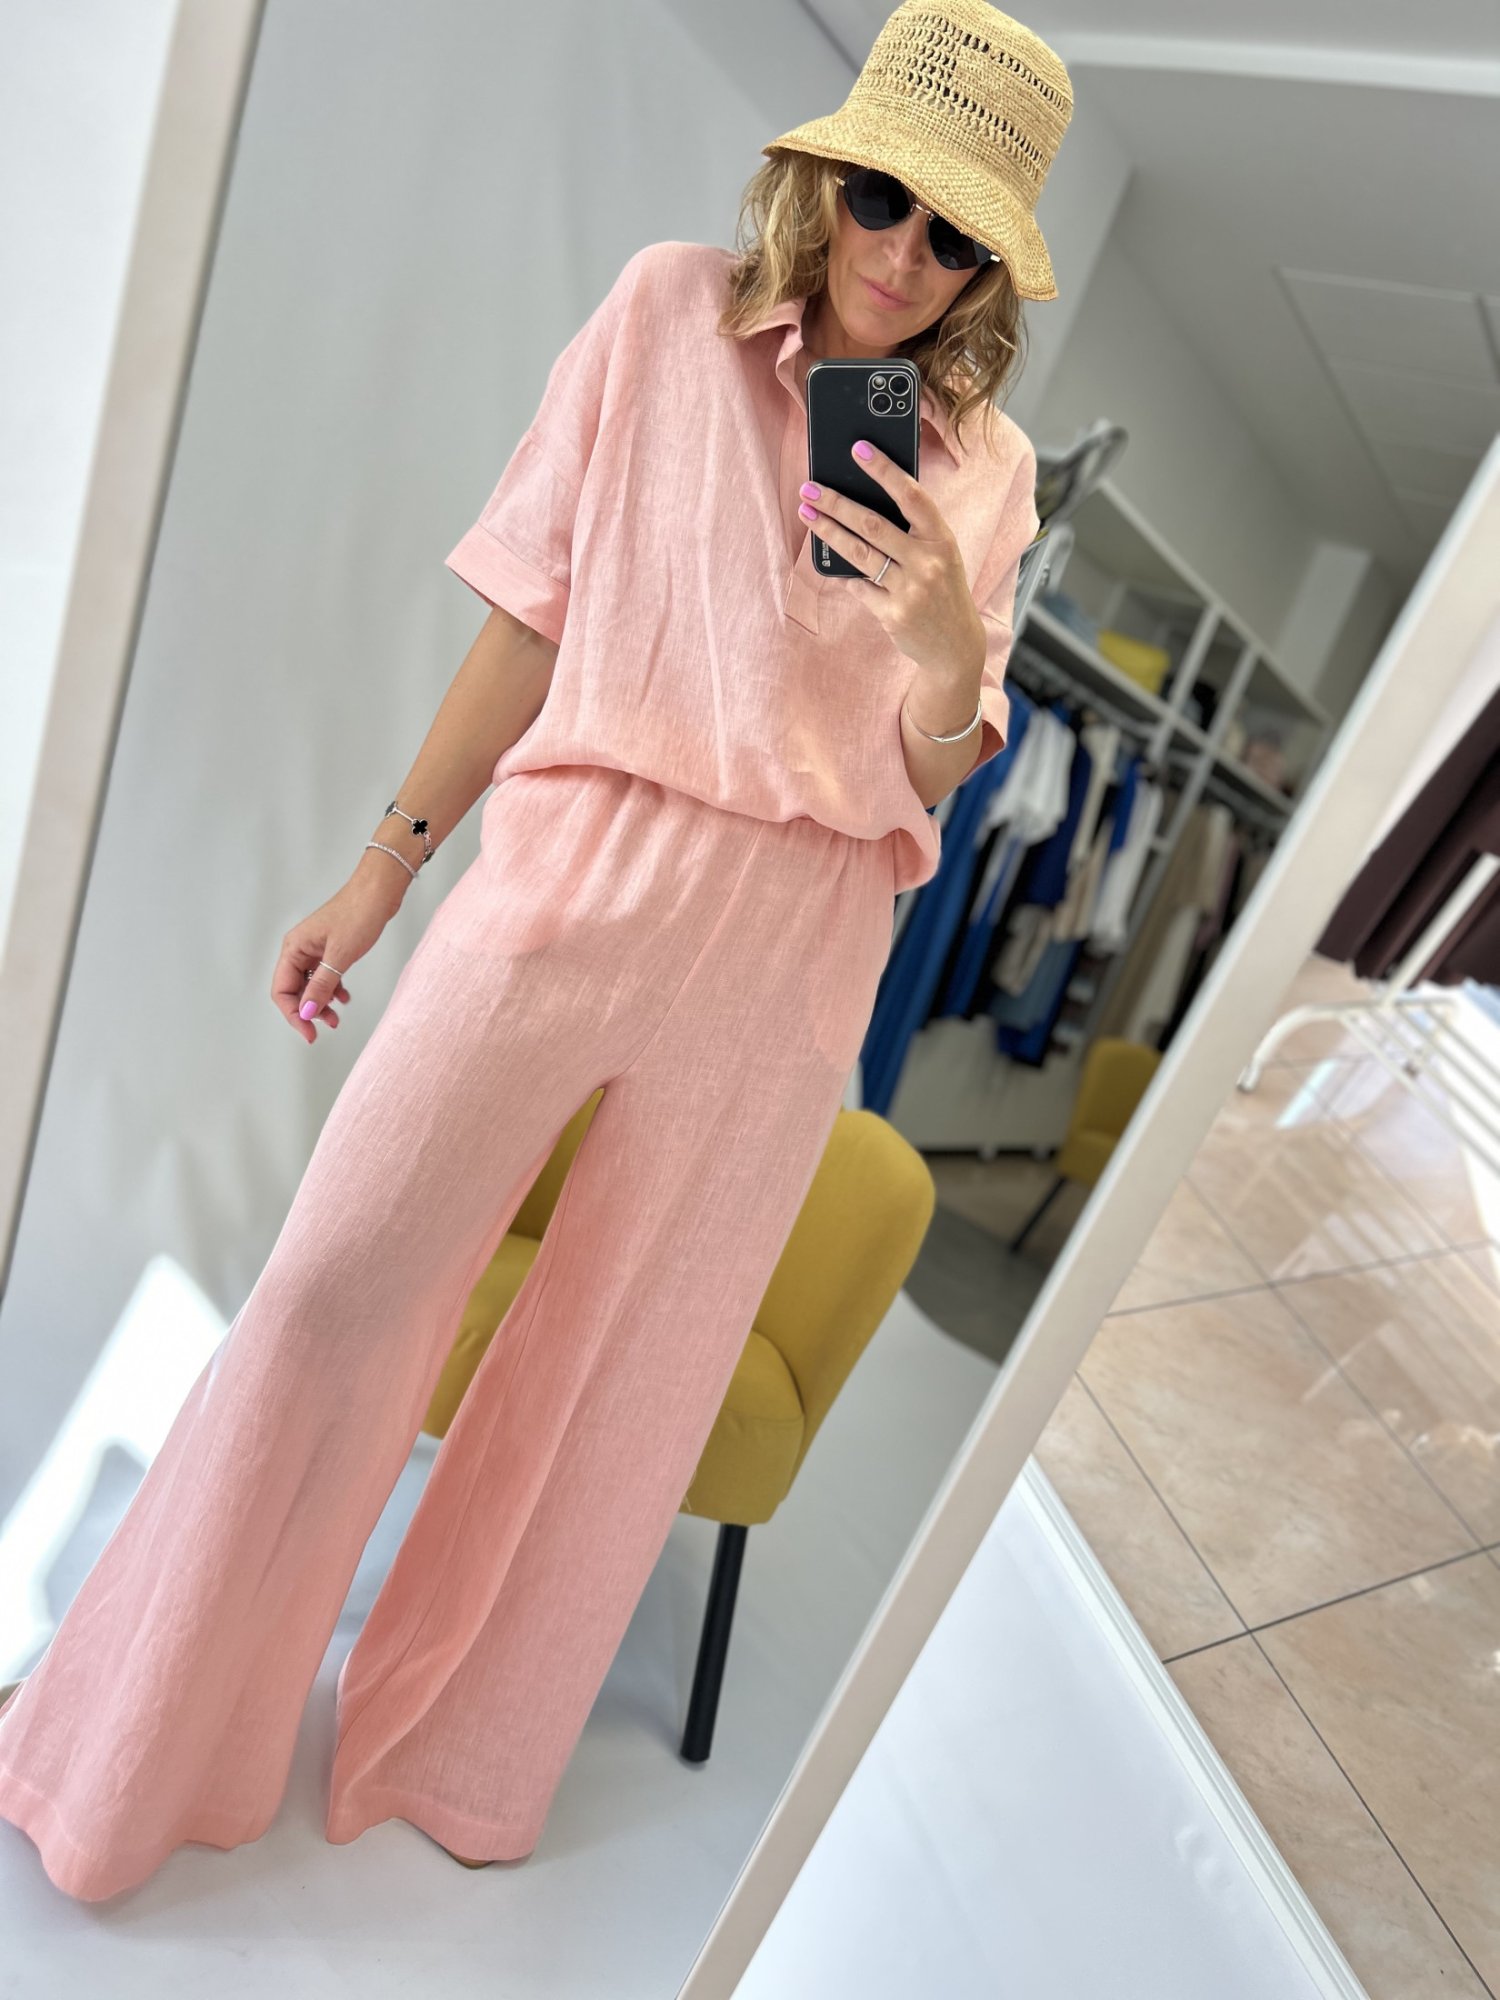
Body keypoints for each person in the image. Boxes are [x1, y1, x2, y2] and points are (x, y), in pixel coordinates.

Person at [0, 0, 1072, 1901]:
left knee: (623, 1377)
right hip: (577, 871)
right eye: (883, 202)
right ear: (829, 176)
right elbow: (528, 614)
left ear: (992, 266)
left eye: (954, 236)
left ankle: (454, 1757)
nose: (903, 258)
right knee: (334, 1284)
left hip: (794, 937)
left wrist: (936, 652)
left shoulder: (990, 472)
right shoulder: (668, 314)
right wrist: (381, 871)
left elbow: (930, 768)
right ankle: (143, 1739)